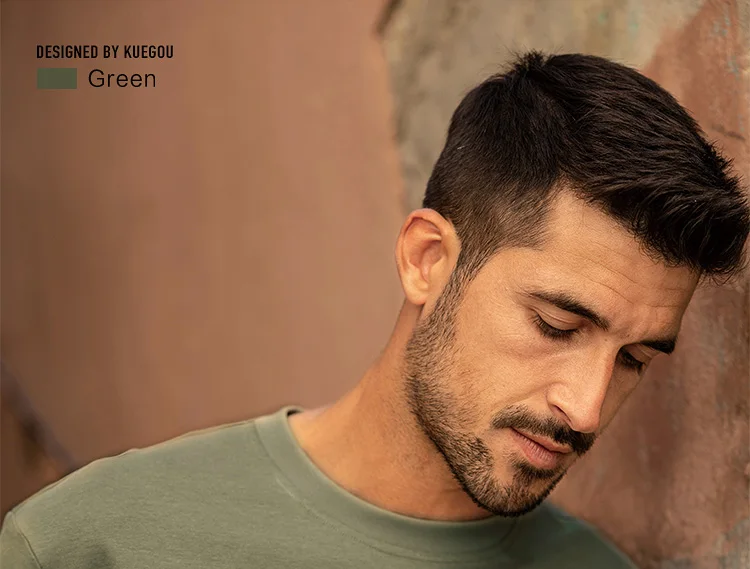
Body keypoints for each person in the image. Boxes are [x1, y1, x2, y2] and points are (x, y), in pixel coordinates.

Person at [1, 50, 747, 569]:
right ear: (427, 260)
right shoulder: (96, 542)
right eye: (557, 325)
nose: (585, 409)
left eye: (634, 359)